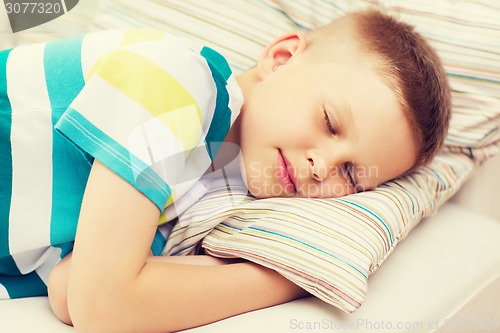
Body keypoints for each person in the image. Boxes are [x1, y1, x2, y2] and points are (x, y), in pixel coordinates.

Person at [0, 9, 450, 332]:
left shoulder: (205, 199)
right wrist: (290, 278)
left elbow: (69, 289)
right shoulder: (178, 80)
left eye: (351, 175)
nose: (322, 168)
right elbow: (104, 307)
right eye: (330, 122)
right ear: (282, 58)